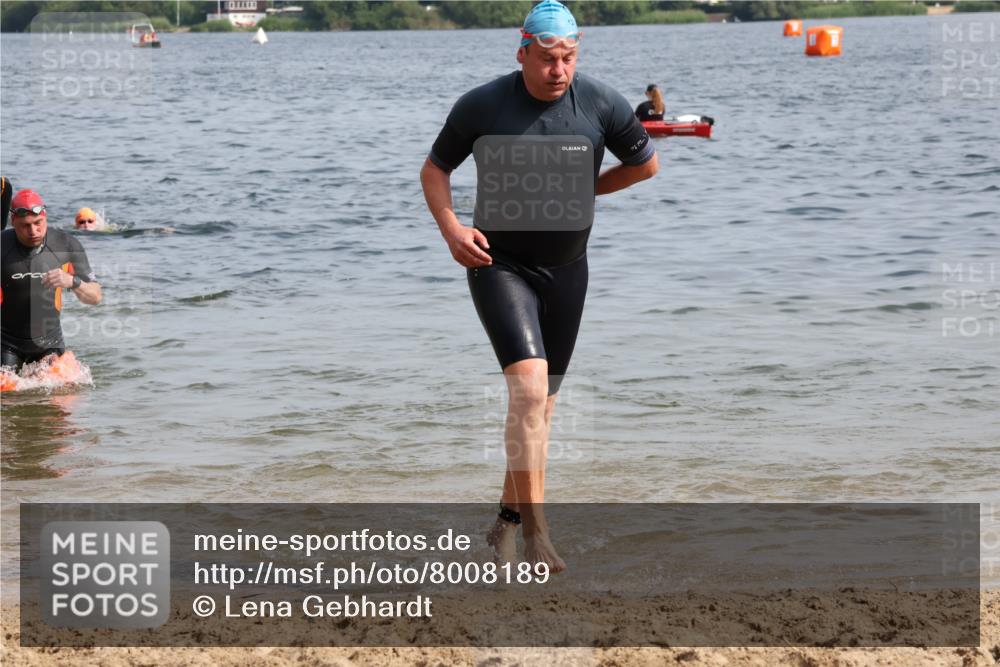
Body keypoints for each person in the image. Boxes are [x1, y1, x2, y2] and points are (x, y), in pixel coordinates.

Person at [420, 0, 658, 573]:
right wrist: (452, 230)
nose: (559, 70)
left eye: (569, 58)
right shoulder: (483, 104)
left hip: (568, 271)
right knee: (529, 393)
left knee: (541, 408)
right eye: (549, 59)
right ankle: (536, 535)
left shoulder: (600, 102)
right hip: (498, 265)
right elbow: (435, 170)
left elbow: (645, 165)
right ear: (522, 52)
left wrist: (584, 188)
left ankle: (503, 525)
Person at [1, 190, 102, 371]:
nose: (33, 231)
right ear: (13, 221)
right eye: (25, 225)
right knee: (7, 388)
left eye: (38, 223)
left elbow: (95, 297)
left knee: (65, 386)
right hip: (6, 343)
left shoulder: (66, 244)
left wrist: (72, 282)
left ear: (45, 217)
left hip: (50, 344)